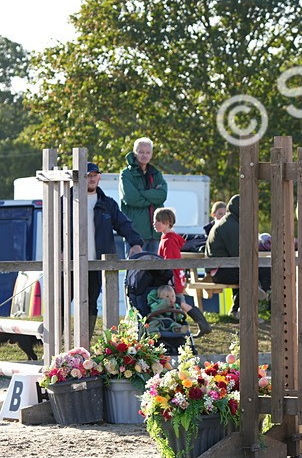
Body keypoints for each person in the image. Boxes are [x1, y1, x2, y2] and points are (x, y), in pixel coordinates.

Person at [82, 162, 144, 341]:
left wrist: (135, 243)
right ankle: (59, 340)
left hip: (97, 263)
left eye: (95, 175)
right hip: (71, 263)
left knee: (91, 302)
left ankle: (84, 343)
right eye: (88, 175)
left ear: (99, 177)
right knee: (63, 303)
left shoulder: (107, 203)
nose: (92, 178)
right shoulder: (69, 201)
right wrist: (62, 249)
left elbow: (123, 224)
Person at [205, 194, 270, 316]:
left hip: (224, 268)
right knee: (264, 271)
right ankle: (252, 300)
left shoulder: (232, 221)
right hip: (221, 271)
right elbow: (240, 253)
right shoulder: (231, 226)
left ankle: (238, 310)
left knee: (251, 272)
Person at [153, 207, 212, 335]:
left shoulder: (169, 240)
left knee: (179, 303)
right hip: (175, 278)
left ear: (167, 222)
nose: (154, 223)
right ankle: (190, 327)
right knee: (178, 303)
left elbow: (171, 263)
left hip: (172, 279)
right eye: (154, 220)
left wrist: (170, 281)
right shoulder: (166, 238)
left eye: (158, 221)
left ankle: (201, 324)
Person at [119, 136, 168, 251]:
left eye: (147, 152)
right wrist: (152, 197)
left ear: (151, 154)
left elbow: (162, 196)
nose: (144, 155)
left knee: (156, 268)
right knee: (135, 268)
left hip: (156, 233)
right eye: (141, 152)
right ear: (135, 153)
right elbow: (131, 199)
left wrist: (141, 193)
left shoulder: (156, 174)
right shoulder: (126, 174)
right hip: (135, 233)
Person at [145, 284, 189, 354]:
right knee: (152, 324)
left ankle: (178, 329)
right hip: (158, 320)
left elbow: (178, 318)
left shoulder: (175, 306)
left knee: (175, 324)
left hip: (170, 322)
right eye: (167, 297)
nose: (171, 299)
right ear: (160, 297)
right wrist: (165, 303)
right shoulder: (156, 303)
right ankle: (154, 333)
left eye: (173, 296)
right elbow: (155, 309)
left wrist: (178, 313)